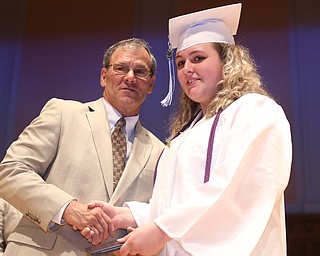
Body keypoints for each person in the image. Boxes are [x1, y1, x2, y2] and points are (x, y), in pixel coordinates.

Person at [82, 3, 293, 256]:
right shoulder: (187, 132)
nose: (187, 69)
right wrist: (126, 215)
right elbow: (176, 205)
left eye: (198, 58)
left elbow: (236, 192)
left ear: (227, 61)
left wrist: (160, 231)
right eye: (180, 62)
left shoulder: (256, 111)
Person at [0, 38, 164, 255]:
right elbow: (10, 171)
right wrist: (67, 208)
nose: (130, 77)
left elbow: (160, 216)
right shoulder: (63, 113)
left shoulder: (161, 152)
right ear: (104, 76)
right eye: (121, 68)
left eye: (140, 71)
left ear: (151, 83)